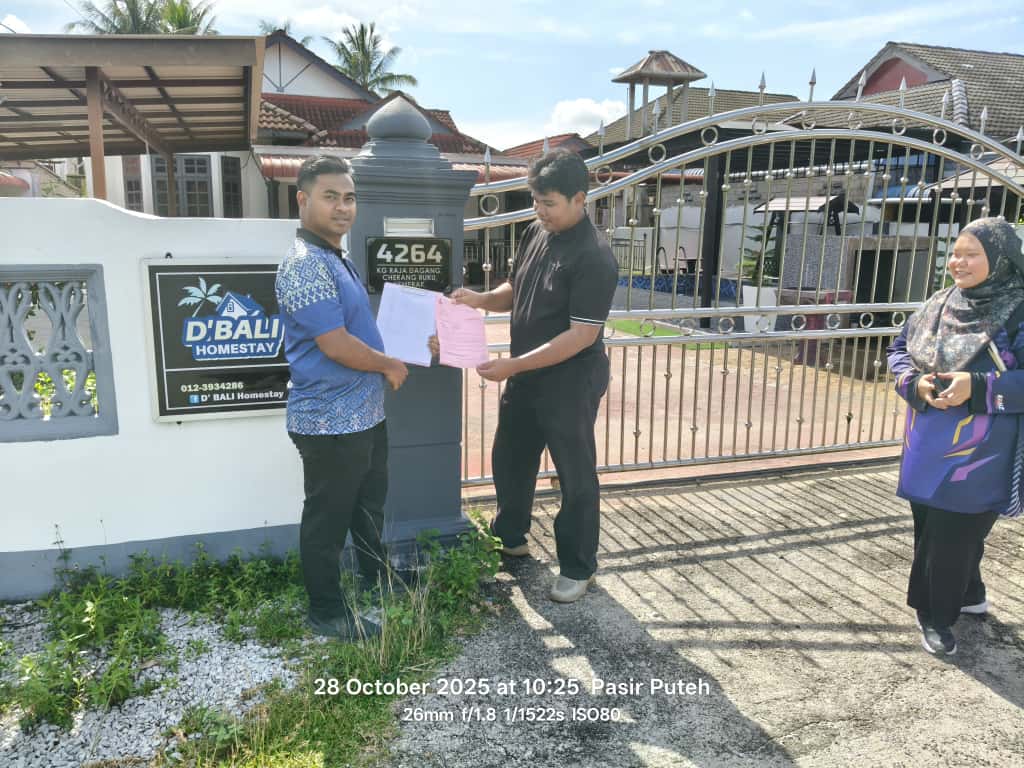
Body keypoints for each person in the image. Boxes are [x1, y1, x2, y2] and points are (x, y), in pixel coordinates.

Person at [451, 149, 618, 603]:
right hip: (526, 372)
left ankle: (578, 566)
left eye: (549, 203)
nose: (539, 211)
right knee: (510, 457)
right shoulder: (535, 232)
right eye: (535, 201)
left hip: (570, 378)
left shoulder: (595, 256)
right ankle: (510, 537)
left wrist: (513, 365)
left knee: (574, 472)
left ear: (580, 199)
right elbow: (516, 287)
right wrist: (480, 300)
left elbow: (581, 335)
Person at [275, 155, 410, 640]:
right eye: (330, 196)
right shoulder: (304, 265)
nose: (342, 207)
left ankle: (377, 577)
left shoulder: (335, 257)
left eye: (349, 198)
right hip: (328, 421)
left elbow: (356, 330)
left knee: (368, 507)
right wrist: (389, 364)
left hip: (364, 415)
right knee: (327, 519)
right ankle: (326, 611)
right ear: (303, 199)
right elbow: (334, 344)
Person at [888, 216, 1024, 656]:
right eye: (955, 253)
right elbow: (898, 350)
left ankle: (934, 613)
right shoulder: (939, 303)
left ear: (1000, 260)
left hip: (981, 453)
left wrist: (979, 387)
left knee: (954, 529)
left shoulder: (1019, 311)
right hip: (926, 439)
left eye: (971, 255)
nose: (957, 263)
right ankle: (968, 593)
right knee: (932, 523)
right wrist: (914, 383)